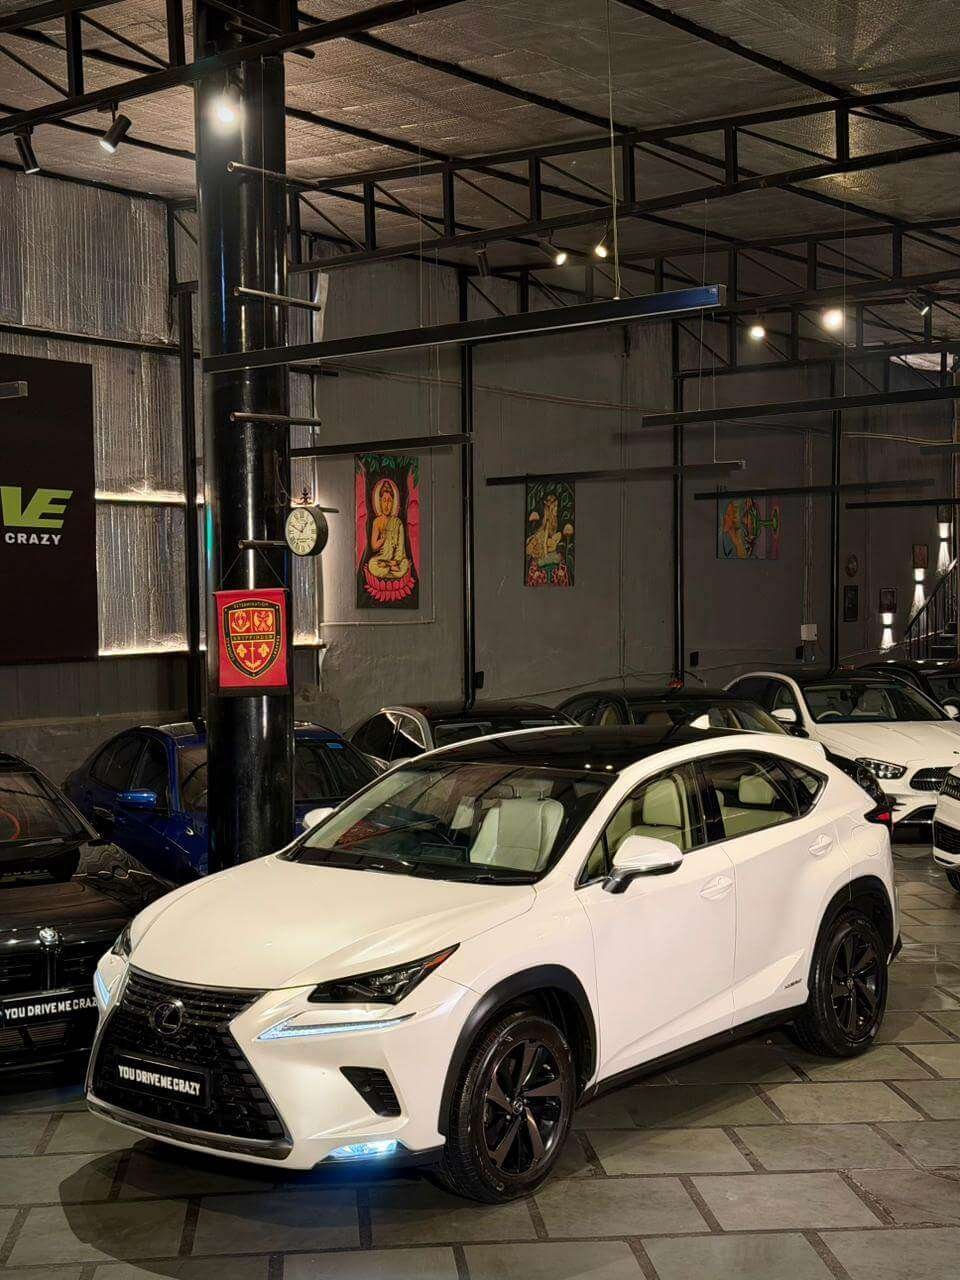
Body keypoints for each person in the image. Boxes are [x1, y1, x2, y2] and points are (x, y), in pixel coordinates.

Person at [366, 480, 410, 581]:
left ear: (393, 503)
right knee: (371, 564)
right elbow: (373, 546)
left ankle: (388, 571)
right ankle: (391, 571)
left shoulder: (398, 522)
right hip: (382, 559)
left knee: (405, 564)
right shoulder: (377, 522)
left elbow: (400, 549)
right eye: (384, 500)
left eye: (389, 501)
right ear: (379, 502)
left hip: (396, 561)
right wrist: (382, 540)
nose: (386, 505)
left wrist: (395, 561)